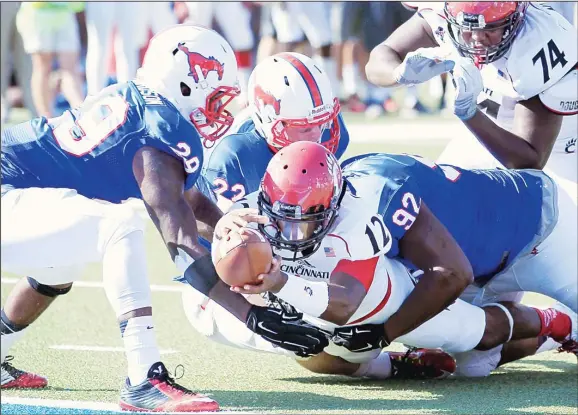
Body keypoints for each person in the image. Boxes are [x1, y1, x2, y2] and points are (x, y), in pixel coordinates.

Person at [1, 25, 328, 412]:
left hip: (17, 190)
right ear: (185, 84)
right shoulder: (158, 129)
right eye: (215, 96)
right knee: (119, 225)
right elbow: (181, 245)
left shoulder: (147, 110)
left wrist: (227, 224)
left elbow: (187, 200)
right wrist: (252, 317)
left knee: (61, 260)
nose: (220, 110)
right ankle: (144, 378)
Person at [182, 141, 576, 380]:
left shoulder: (373, 199)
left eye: (305, 225)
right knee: (477, 361)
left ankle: (567, 322)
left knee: (457, 327)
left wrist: (385, 333)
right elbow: (196, 244)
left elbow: (452, 273)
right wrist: (227, 234)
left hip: (538, 230)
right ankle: (555, 330)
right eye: (283, 222)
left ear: (334, 206)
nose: (290, 236)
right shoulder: (257, 210)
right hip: (463, 264)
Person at [365, 1, 577, 210]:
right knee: (439, 205)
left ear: (516, 19)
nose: (477, 38)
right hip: (486, 132)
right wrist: (399, 73)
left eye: (491, 27)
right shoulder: (441, 12)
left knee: (558, 235)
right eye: (467, 27)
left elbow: (529, 160)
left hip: (560, 149)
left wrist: (469, 113)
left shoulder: (539, 41)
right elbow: (381, 56)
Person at [197, 52, 349, 214]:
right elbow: (216, 230)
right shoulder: (235, 156)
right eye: (305, 128)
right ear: (269, 122)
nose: (317, 135)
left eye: (322, 122)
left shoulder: (331, 133)